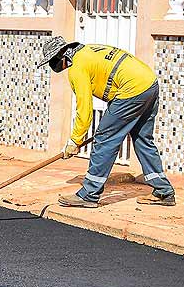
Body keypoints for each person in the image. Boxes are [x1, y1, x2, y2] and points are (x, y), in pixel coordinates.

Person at [37, 36, 176, 208]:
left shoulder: (77, 68)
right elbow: (111, 80)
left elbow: (84, 110)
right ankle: (164, 191)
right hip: (149, 84)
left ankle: (89, 194)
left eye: (52, 62)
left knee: (104, 140)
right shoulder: (88, 51)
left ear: (60, 56)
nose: (54, 67)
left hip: (131, 90)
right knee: (142, 139)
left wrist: (75, 140)